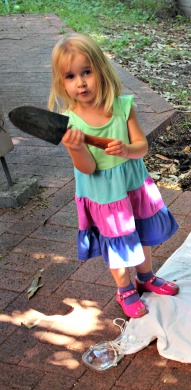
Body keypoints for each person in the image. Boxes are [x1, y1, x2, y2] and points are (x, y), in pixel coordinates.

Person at [48, 33, 179, 318]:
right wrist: (76, 148)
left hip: (132, 183)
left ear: (101, 70)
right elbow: (88, 168)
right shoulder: (71, 124)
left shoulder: (122, 106)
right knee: (117, 240)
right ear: (62, 82)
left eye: (86, 72)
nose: (80, 82)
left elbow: (141, 147)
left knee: (141, 232)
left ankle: (145, 277)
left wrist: (127, 149)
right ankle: (124, 290)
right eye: (70, 76)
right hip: (105, 194)